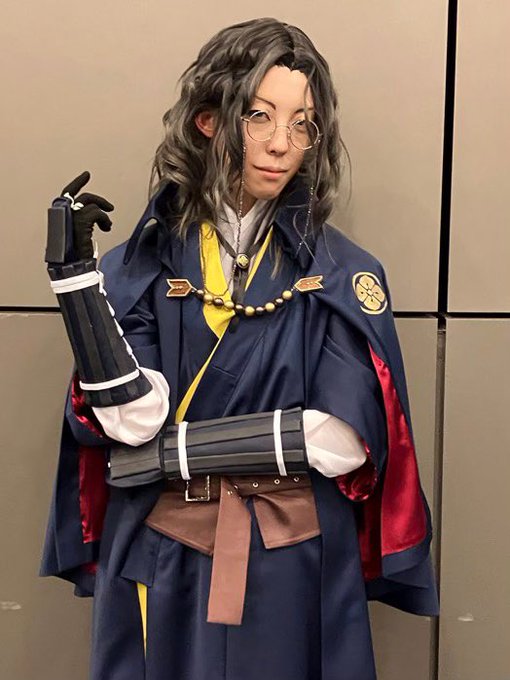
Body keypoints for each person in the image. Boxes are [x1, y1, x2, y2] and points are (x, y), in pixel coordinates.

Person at [41, 17, 438, 680]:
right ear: (208, 119)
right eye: (259, 116)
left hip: (295, 552)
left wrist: (166, 456)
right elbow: (131, 420)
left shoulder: (342, 274)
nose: (281, 144)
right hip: (162, 550)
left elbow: (341, 443)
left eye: (302, 124)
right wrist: (77, 285)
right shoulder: (138, 268)